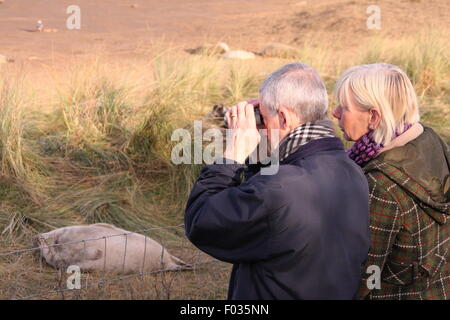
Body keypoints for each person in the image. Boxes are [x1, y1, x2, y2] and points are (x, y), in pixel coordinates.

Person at [184, 62, 371, 299]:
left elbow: (202, 221)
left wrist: (232, 153)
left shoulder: (280, 189)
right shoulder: (351, 170)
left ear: (283, 117)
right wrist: (264, 142)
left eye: (265, 115)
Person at [332, 63, 449, 300]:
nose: (334, 113)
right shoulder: (429, 139)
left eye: (344, 107)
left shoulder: (380, 185)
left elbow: (365, 271)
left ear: (374, 117)